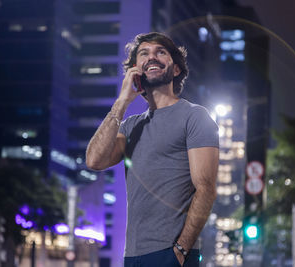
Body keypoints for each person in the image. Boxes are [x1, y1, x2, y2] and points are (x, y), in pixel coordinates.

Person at [86, 32, 219, 267]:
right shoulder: (129, 126)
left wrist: (180, 249)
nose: (152, 57)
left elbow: (206, 188)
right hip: (133, 255)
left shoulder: (195, 117)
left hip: (172, 254)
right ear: (135, 70)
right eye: (144, 54)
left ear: (176, 69)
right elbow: (95, 161)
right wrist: (122, 102)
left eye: (161, 52)